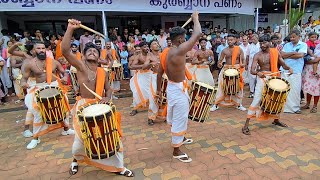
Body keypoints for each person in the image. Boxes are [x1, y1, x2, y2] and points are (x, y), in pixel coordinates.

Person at [61, 19, 134, 177]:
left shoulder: (103, 71)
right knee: (81, 139)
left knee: (112, 137)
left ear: (99, 54)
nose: (92, 52)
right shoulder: (80, 67)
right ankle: (76, 159)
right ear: (84, 55)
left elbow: (108, 90)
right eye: (89, 51)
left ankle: (119, 167)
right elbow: (65, 50)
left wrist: (107, 98)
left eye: (95, 51)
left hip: (101, 107)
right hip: (83, 108)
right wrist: (70, 29)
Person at [156, 11, 201, 163]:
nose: (186, 39)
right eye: (184, 38)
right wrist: (195, 18)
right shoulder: (179, 50)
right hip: (177, 89)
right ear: (180, 39)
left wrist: (158, 90)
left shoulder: (165, 52)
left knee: (177, 115)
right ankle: (176, 150)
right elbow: (198, 33)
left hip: (172, 86)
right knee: (180, 117)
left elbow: (159, 73)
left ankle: (181, 137)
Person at [21, 41, 74, 149]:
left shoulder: (53, 62)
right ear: (34, 51)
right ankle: (36, 137)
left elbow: (65, 72)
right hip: (39, 88)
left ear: (46, 50)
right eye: (38, 48)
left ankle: (66, 129)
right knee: (37, 112)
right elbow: (23, 79)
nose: (41, 50)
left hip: (55, 86)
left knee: (64, 106)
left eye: (43, 48)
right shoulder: (29, 63)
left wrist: (64, 78)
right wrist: (24, 84)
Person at [242, 34, 293, 135]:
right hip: (263, 78)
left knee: (277, 99)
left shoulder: (275, 52)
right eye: (261, 43)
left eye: (264, 42)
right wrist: (257, 73)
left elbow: (283, 64)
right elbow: (252, 70)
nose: (262, 45)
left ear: (269, 42)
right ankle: (246, 125)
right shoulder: (258, 55)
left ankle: (276, 120)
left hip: (275, 78)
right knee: (257, 100)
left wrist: (289, 68)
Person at [210, 34, 246, 112]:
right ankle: (216, 104)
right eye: (228, 40)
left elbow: (243, 60)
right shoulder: (224, 50)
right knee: (221, 86)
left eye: (231, 40)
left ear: (235, 40)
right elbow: (219, 61)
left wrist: (242, 64)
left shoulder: (239, 49)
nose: (230, 41)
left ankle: (239, 104)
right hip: (226, 69)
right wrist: (219, 64)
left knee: (238, 87)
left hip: (236, 70)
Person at [280, 30, 308, 114]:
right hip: (285, 69)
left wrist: (288, 55)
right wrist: (293, 53)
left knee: (295, 90)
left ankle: (294, 108)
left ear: (299, 36)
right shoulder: (287, 45)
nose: (291, 39)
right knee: (284, 89)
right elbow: (282, 55)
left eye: (293, 37)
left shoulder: (303, 45)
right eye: (291, 37)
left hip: (296, 70)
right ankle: (284, 107)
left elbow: (300, 55)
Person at [129, 42, 152, 116]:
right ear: (141, 48)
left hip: (150, 74)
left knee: (151, 91)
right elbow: (132, 66)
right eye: (145, 47)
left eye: (147, 46)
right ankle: (135, 108)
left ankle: (152, 107)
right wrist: (144, 66)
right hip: (141, 75)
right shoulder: (138, 56)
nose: (147, 48)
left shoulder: (151, 55)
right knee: (137, 91)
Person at [145, 40, 162, 125]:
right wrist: (151, 64)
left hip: (164, 77)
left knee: (163, 96)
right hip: (154, 77)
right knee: (153, 96)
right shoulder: (149, 55)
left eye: (157, 43)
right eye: (154, 44)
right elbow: (145, 65)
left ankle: (162, 115)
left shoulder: (162, 54)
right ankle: (150, 117)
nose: (157, 45)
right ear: (151, 48)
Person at [301, 40, 320, 113]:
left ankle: (315, 105)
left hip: (317, 70)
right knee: (309, 87)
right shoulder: (316, 45)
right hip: (309, 70)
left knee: (316, 89)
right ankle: (308, 103)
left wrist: (313, 61)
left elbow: (317, 60)